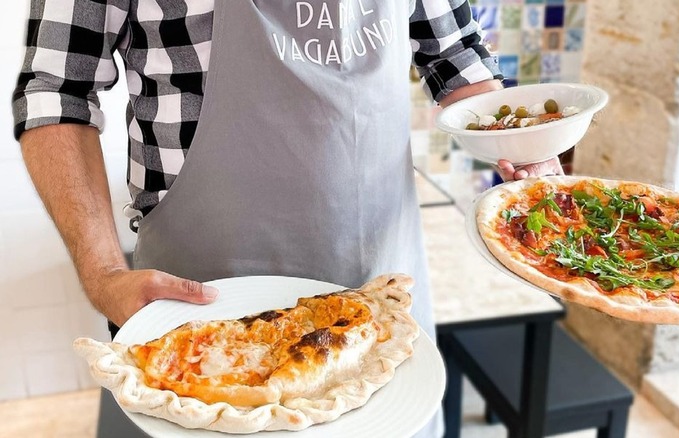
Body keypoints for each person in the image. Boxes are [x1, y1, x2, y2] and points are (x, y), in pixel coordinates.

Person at [13, 0, 562, 436]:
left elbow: (456, 55)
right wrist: (103, 273)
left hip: (382, 293)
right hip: (201, 327)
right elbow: (57, 88)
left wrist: (527, 141)